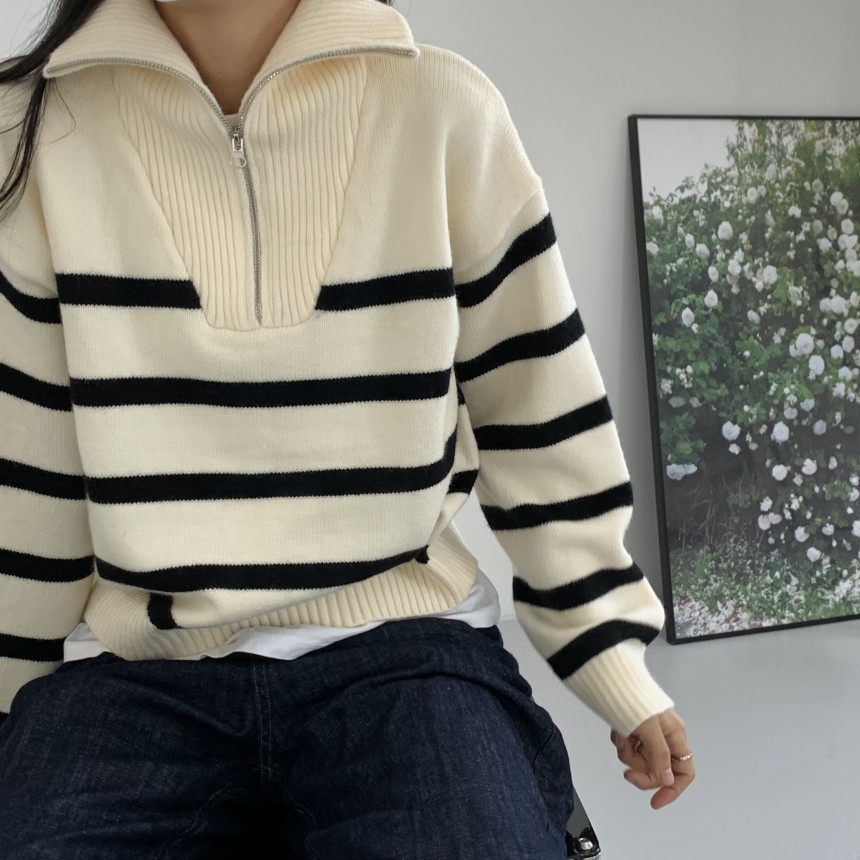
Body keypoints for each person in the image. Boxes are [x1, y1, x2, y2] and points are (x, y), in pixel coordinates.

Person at [0, 0, 694, 855]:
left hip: (407, 651)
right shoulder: (28, 128)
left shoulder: (442, 108)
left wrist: (609, 656)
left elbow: (540, 414)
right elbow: (25, 473)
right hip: (133, 671)